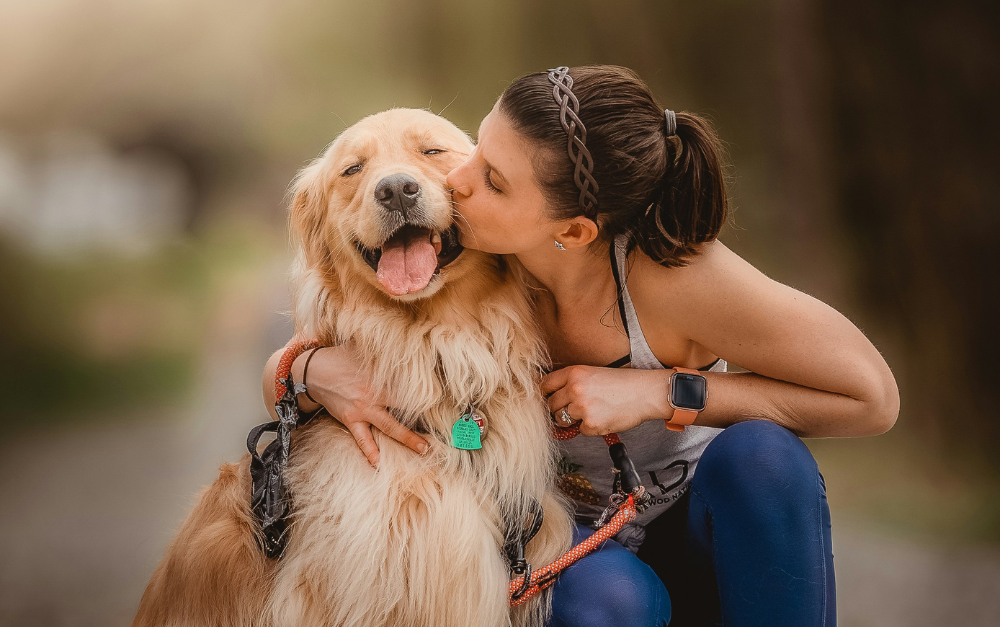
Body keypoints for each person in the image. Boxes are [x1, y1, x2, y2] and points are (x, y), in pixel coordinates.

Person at [262, 65, 898, 626]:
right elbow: (300, 365)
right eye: (475, 151)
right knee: (615, 602)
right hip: (572, 555)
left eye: (492, 179)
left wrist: (658, 390)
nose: (456, 181)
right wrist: (310, 368)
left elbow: (870, 400)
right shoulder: (473, 284)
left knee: (764, 456)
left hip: (699, 531)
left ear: (573, 229)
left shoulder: (674, 275)